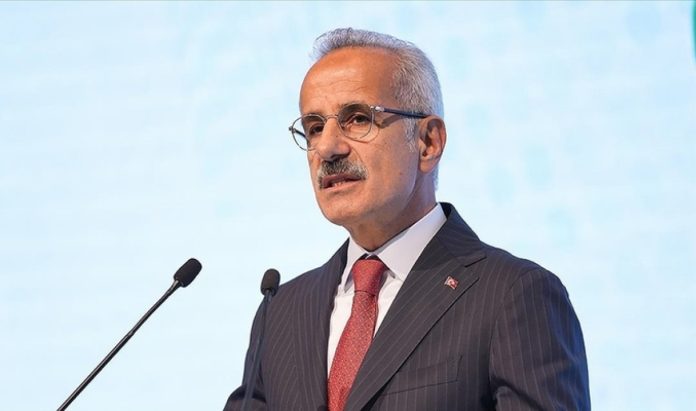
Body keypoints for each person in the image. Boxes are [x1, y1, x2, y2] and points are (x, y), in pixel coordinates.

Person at [224, 28, 590, 411]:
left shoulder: (513, 294)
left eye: (358, 119)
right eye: (314, 128)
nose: (327, 148)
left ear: (428, 142)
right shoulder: (281, 310)